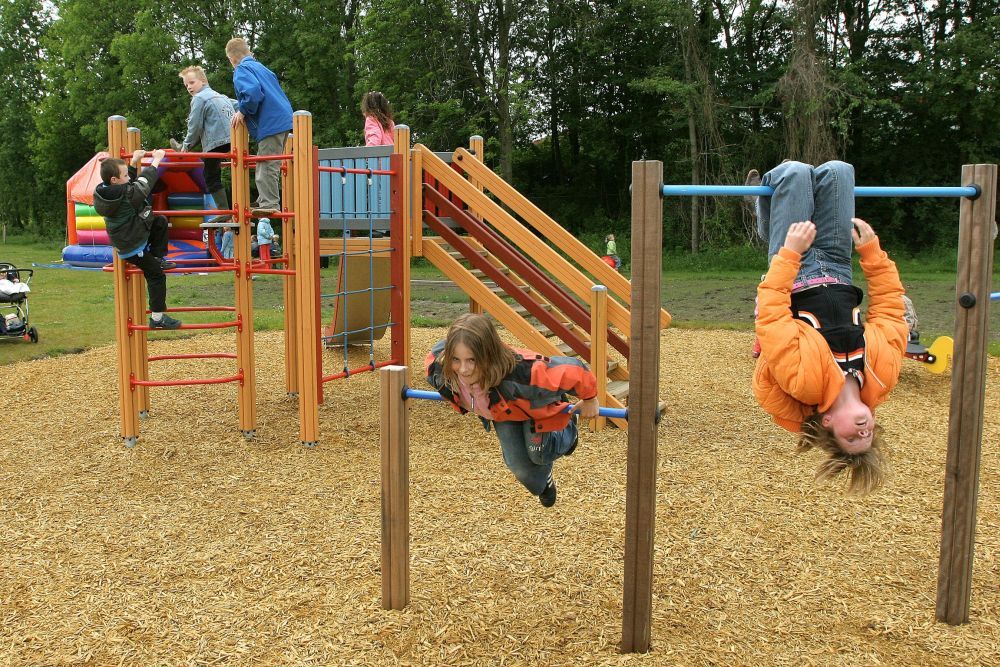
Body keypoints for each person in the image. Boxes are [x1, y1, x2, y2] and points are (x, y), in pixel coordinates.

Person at [751, 160, 908, 495]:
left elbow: (772, 318)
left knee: (794, 173)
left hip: (796, 270)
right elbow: (891, 312)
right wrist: (873, 255)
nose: (863, 429)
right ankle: (772, 217)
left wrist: (789, 255)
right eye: (868, 434)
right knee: (839, 171)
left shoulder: (804, 384)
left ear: (828, 423)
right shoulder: (882, 375)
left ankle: (767, 221)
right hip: (839, 266)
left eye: (852, 437)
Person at [425, 313, 599, 508]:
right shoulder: (441, 371)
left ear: (489, 356)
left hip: (532, 405)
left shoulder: (524, 372)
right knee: (522, 471)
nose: (463, 369)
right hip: (503, 411)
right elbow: (434, 357)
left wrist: (590, 398)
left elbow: (574, 370)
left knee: (539, 454)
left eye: (472, 360)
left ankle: (568, 432)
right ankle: (545, 481)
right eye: (456, 359)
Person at [94, 149, 182, 330]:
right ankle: (157, 319)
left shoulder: (105, 191)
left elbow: (127, 185)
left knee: (159, 221)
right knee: (156, 275)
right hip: (132, 245)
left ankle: (157, 257)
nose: (129, 177)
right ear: (114, 179)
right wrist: (156, 160)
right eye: (125, 174)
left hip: (129, 236)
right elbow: (143, 184)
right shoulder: (126, 193)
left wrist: (133, 162)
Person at [225, 38, 293, 218]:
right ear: (248, 52)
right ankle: (264, 198)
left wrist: (242, 111)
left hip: (270, 122)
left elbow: (253, 92)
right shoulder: (262, 68)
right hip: (283, 119)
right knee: (270, 163)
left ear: (232, 59)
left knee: (266, 164)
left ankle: (269, 203)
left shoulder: (241, 69)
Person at [172, 65, 237, 224]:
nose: (189, 87)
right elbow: (239, 105)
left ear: (203, 81)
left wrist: (187, 145)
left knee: (210, 176)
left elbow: (195, 125)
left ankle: (224, 211)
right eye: (186, 85)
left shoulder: (199, 98)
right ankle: (240, 206)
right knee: (234, 171)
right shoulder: (221, 96)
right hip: (234, 139)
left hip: (216, 142)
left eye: (191, 82)